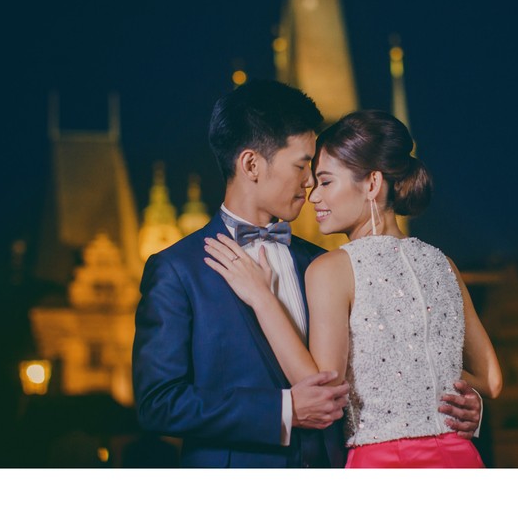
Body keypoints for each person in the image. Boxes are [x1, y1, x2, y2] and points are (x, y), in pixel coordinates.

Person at [133, 81, 481, 468]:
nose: (311, 182)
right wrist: (283, 411)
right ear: (251, 164)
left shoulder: (330, 264)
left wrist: (463, 404)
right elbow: (158, 404)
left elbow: (393, 358)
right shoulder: (179, 270)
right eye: (302, 166)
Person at [204, 109, 502, 468]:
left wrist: (262, 298)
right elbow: (492, 379)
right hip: (460, 459)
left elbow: (324, 387)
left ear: (373, 184)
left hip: (383, 464)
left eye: (326, 182)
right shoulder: (444, 264)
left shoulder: (331, 269)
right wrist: (434, 381)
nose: (313, 197)